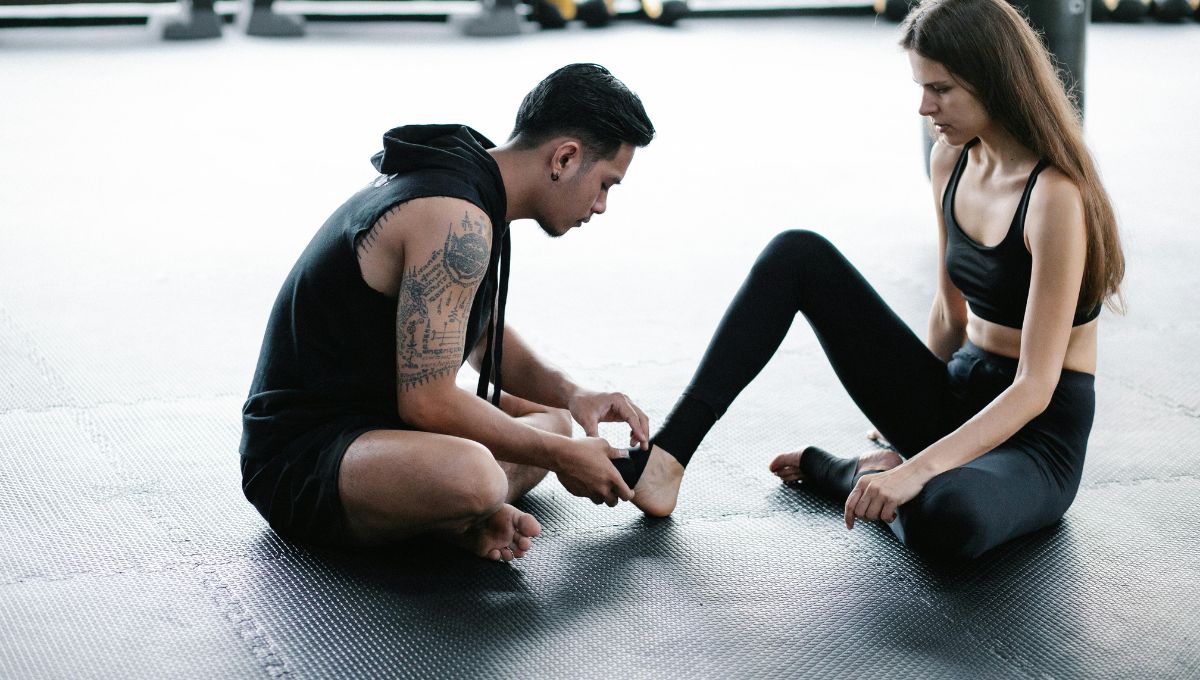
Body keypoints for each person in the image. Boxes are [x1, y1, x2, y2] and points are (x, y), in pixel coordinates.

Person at [620, 0, 1125, 561]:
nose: (924, 107)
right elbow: (949, 314)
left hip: (1034, 439)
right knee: (796, 254)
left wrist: (916, 468)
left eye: (940, 89)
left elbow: (1034, 386)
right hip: (958, 395)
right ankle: (668, 458)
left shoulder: (1055, 196)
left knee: (949, 517)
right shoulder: (951, 160)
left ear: (994, 80)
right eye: (921, 87)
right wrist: (903, 425)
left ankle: (852, 476)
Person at [240, 64, 656, 561]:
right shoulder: (455, 214)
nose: (602, 205)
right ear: (565, 158)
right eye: (606, 184)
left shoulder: (476, 182)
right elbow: (428, 404)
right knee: (478, 475)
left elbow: (480, 336)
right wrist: (565, 459)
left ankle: (450, 514)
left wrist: (573, 394)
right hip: (301, 458)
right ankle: (458, 512)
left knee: (554, 420)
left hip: (384, 426)